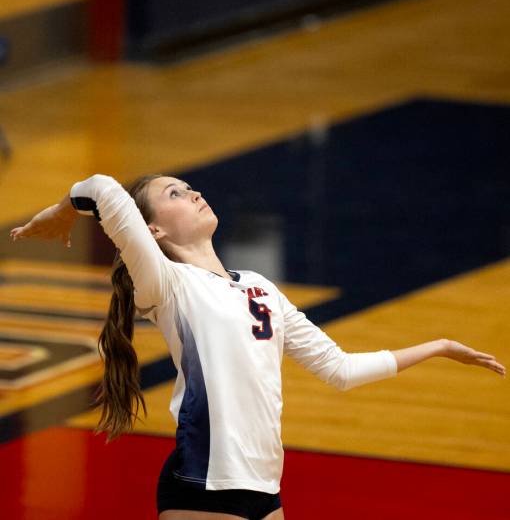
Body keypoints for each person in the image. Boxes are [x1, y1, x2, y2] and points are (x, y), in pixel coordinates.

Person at [10, 174, 506, 520]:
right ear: (152, 230)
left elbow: (340, 369)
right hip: (205, 482)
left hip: (264, 485)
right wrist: (63, 211)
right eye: (176, 193)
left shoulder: (260, 287)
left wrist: (438, 345)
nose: (195, 193)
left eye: (189, 186)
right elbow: (101, 187)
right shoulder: (166, 283)